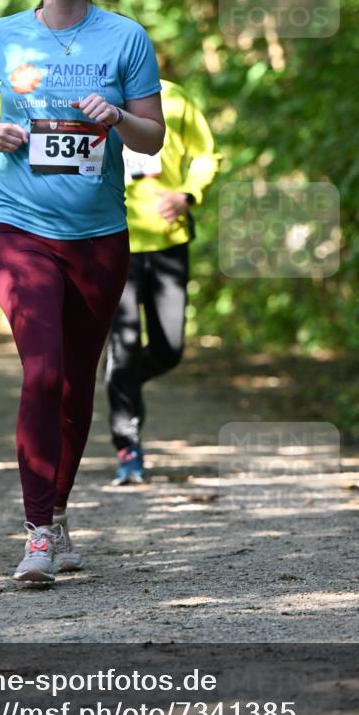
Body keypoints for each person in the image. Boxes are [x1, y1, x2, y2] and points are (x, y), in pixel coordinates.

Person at [0, 0, 164, 584]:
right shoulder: (3, 36)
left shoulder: (125, 38)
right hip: (16, 227)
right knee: (42, 373)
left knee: (76, 386)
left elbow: (152, 138)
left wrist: (118, 116)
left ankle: (59, 512)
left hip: (99, 236)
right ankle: (36, 535)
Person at [105, 79, 219, 484]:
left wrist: (188, 194)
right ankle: (128, 449)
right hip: (111, 239)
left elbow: (207, 154)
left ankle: (123, 380)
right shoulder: (93, 96)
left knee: (169, 349)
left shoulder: (174, 97)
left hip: (170, 240)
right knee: (125, 343)